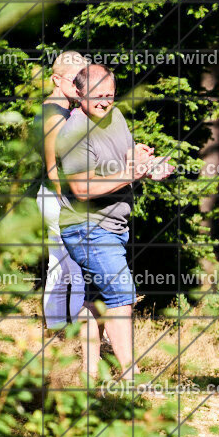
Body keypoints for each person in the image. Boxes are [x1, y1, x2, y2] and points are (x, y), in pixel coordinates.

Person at [55, 63, 174, 380]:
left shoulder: (115, 117)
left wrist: (146, 160)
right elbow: (81, 188)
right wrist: (130, 174)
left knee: (95, 301)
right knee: (121, 294)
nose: (105, 102)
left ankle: (90, 377)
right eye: (98, 96)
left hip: (113, 227)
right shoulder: (72, 133)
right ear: (79, 93)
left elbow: (126, 154)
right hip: (87, 228)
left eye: (110, 95)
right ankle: (130, 378)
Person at [34, 51, 88, 331]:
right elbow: (53, 166)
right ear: (56, 79)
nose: (80, 86)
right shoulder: (53, 113)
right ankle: (76, 333)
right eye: (74, 80)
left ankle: (57, 329)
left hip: (56, 197)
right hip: (57, 197)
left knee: (62, 265)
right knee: (77, 267)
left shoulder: (63, 109)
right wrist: (70, 202)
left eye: (83, 80)